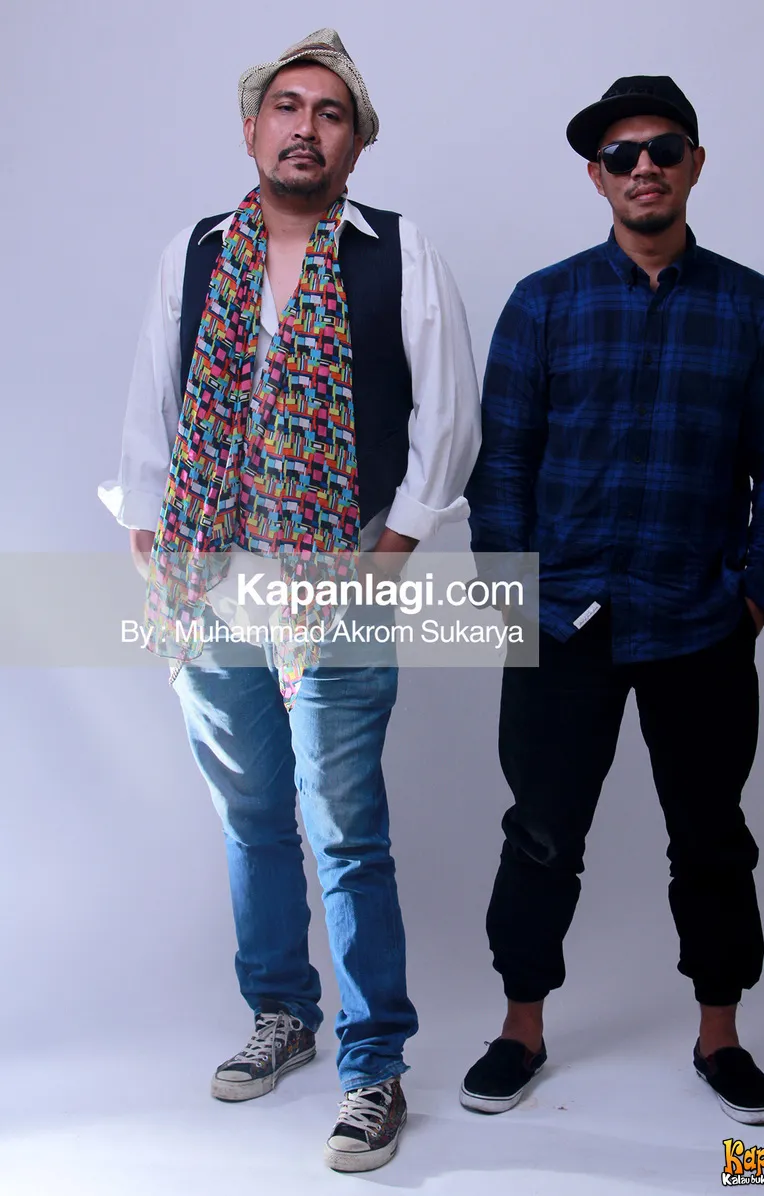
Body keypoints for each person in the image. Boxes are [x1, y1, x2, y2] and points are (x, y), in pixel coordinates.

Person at [98, 28, 480, 1172]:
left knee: (346, 828)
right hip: (210, 580)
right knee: (253, 815)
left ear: (356, 144)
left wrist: (391, 551)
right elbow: (152, 403)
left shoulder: (399, 252)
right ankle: (281, 1010)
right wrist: (150, 542)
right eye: (287, 106)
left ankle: (375, 1065)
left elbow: (448, 414)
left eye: (330, 112)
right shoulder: (196, 252)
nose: (305, 127)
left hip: (340, 576)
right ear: (252, 128)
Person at [461, 75, 764, 1127]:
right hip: (563, 622)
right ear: (597, 177)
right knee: (540, 834)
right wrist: (510, 597)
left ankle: (720, 1037)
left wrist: (758, 594)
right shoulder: (544, 303)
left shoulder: (752, 307)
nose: (644, 167)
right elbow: (501, 462)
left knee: (711, 837)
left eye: (663, 149)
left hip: (700, 625)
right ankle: (521, 1028)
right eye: (622, 155)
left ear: (695, 163)